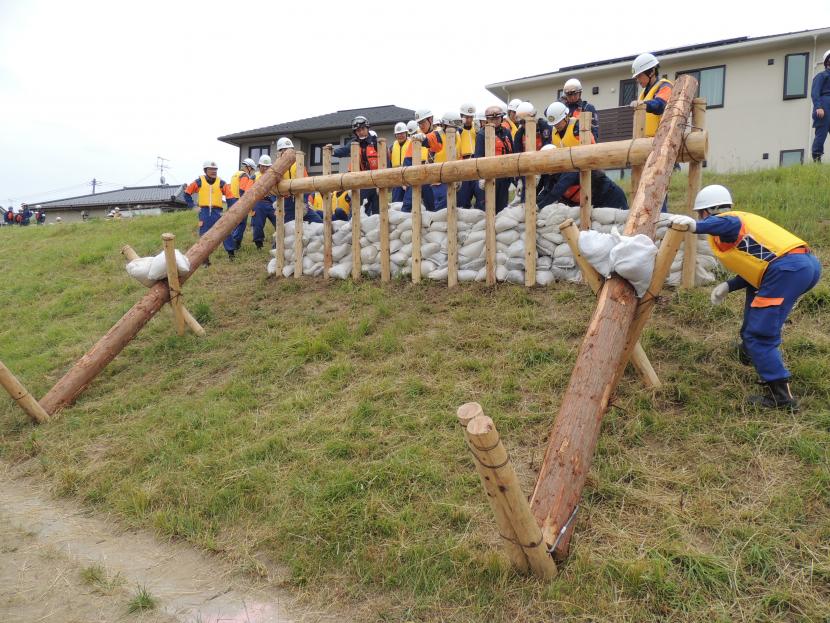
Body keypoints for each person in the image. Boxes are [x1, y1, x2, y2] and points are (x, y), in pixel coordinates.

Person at [669, 185, 821, 410]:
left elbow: (723, 222)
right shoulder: (740, 228)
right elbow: (758, 266)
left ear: (707, 212)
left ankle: (781, 397)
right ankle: (750, 352)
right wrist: (729, 285)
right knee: (755, 301)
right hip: (799, 267)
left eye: (699, 214)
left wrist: (695, 227)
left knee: (760, 335)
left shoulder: (730, 220)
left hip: (786, 271)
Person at [536, 146, 628, 210]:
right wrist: (533, 204)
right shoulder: (552, 175)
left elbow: (557, 191)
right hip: (593, 202)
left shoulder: (570, 168)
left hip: (610, 196)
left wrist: (539, 207)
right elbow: (546, 191)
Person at [333, 116, 379, 215]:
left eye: (362, 129)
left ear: (367, 128)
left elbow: (386, 161)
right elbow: (344, 150)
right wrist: (332, 151)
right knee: (359, 210)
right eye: (358, 130)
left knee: (378, 212)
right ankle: (355, 229)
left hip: (377, 180)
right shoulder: (354, 143)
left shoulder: (376, 142)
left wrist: (383, 183)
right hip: (362, 181)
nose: (361, 132)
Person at [184, 160, 227, 264]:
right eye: (211, 169)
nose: (214, 171)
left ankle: (231, 255)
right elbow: (187, 193)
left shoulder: (221, 183)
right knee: (204, 236)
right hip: (204, 212)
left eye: (215, 169)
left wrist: (229, 209)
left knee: (226, 231)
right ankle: (205, 260)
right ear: (205, 170)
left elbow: (230, 196)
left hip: (218, 212)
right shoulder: (199, 182)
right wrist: (193, 206)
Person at [473, 105, 514, 213]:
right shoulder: (482, 134)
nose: (494, 121)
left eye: (497, 118)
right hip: (489, 176)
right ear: (487, 119)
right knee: (487, 207)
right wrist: (481, 177)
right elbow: (478, 156)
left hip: (504, 176)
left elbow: (512, 152)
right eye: (491, 119)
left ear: (501, 118)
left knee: (502, 208)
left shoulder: (506, 133)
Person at [275, 137, 321, 225]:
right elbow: (273, 188)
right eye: (284, 150)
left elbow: (307, 184)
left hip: (299, 198)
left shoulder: (298, 165)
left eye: (290, 150)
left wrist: (304, 201)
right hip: (286, 203)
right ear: (280, 152)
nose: (287, 153)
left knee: (318, 222)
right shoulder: (277, 168)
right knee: (287, 228)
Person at [629, 53, 673, 138]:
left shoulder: (665, 86)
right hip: (644, 142)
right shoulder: (644, 93)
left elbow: (660, 104)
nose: (637, 80)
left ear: (652, 72)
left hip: (661, 140)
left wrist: (645, 104)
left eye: (639, 76)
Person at [225, 157, 257, 257]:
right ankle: (236, 244)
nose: (252, 172)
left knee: (234, 224)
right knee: (241, 224)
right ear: (248, 167)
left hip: (232, 201)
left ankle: (232, 243)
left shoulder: (235, 174)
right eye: (252, 169)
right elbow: (242, 190)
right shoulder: (244, 176)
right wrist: (245, 202)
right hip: (240, 201)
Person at [458, 103, 484, 209]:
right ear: (461, 116)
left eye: (471, 117)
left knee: (481, 197)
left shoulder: (477, 129)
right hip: (463, 165)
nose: (469, 119)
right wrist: (457, 130)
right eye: (466, 117)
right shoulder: (457, 130)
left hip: (476, 164)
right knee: (463, 199)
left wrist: (480, 132)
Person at [250, 154, 277, 249]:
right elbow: (247, 191)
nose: (265, 168)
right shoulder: (254, 177)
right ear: (259, 166)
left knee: (279, 222)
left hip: (272, 203)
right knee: (258, 225)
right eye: (263, 166)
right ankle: (259, 244)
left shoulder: (274, 176)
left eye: (267, 166)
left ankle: (278, 243)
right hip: (258, 203)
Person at [811, 49, 830, 163]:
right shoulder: (821, 76)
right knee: (821, 134)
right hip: (824, 105)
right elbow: (815, 92)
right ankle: (817, 157)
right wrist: (818, 107)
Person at [388, 122, 410, 203]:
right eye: (398, 134)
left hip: (408, 177)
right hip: (396, 178)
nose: (400, 135)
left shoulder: (412, 144)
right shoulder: (392, 147)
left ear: (406, 133)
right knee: (396, 202)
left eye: (402, 133)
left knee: (408, 202)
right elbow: (389, 164)